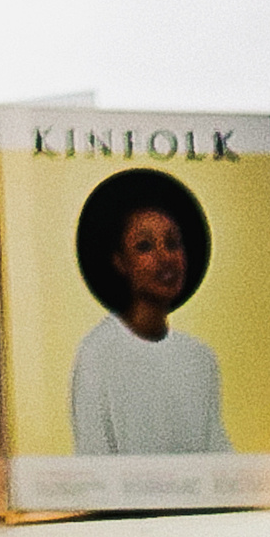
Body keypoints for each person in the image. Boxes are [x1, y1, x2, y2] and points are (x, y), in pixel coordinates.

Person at [67, 169, 231, 458]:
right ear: (120, 262)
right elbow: (93, 458)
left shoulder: (199, 358)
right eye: (144, 246)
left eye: (172, 243)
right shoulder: (97, 354)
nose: (164, 258)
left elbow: (216, 454)